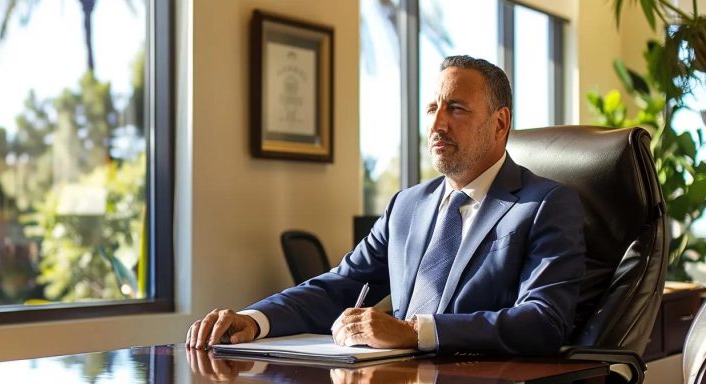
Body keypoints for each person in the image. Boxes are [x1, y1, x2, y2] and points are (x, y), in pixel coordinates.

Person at [185, 55, 586, 355]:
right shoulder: (407, 206)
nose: (436, 125)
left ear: (500, 124)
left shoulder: (545, 204)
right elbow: (338, 286)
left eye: (456, 108)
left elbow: (543, 321)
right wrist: (254, 320)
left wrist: (415, 332)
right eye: (432, 108)